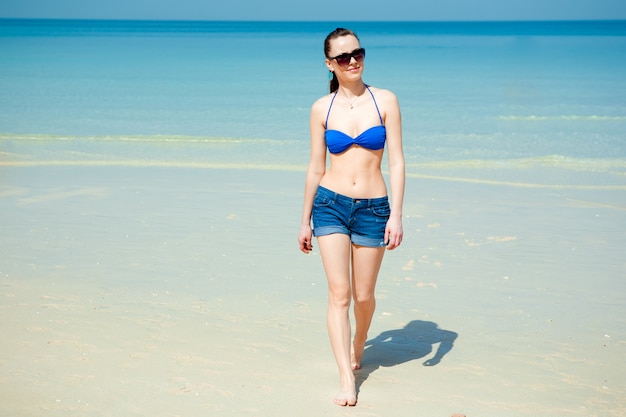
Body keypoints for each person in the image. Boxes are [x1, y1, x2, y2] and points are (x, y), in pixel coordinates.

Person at [298, 27, 405, 407]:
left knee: (363, 295)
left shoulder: (385, 100)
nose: (352, 60)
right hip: (330, 205)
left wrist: (396, 215)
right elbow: (315, 167)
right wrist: (304, 218)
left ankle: (360, 339)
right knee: (339, 293)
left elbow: (397, 161)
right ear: (330, 64)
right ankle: (346, 377)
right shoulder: (321, 109)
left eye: (357, 52)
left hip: (374, 208)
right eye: (343, 57)